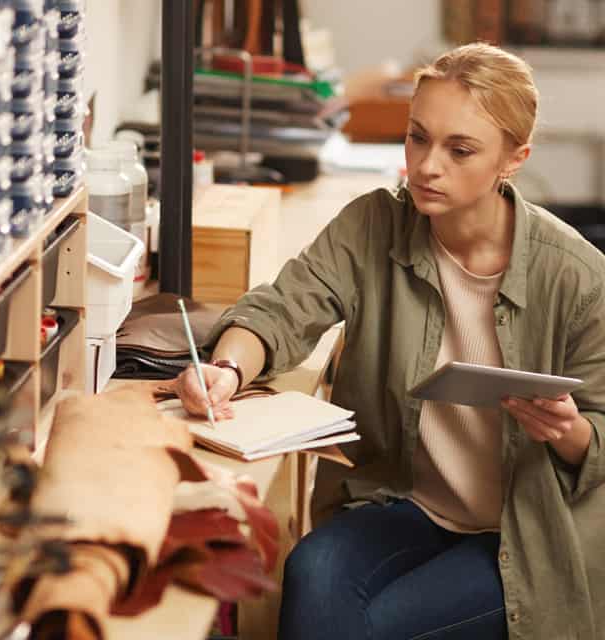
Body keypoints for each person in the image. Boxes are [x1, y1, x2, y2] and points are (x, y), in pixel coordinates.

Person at [176, 43, 605, 640]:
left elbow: (601, 436)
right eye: (417, 138)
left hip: (525, 535)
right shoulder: (373, 225)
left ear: (514, 158)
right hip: (407, 504)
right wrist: (225, 367)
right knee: (311, 571)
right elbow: (284, 307)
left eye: (460, 150)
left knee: (368, 627)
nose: (428, 166)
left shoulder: (580, 278)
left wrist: (571, 434)